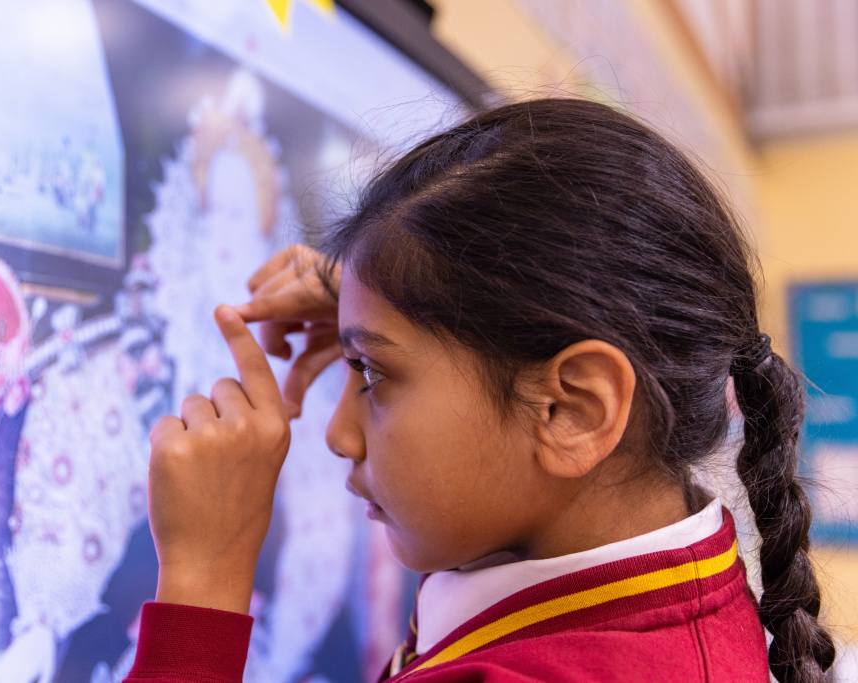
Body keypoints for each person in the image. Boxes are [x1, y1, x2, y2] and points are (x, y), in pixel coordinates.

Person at [122, 99, 836, 682]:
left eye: (370, 377)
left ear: (572, 409)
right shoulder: (682, 590)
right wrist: (382, 314)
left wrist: (203, 582)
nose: (338, 433)